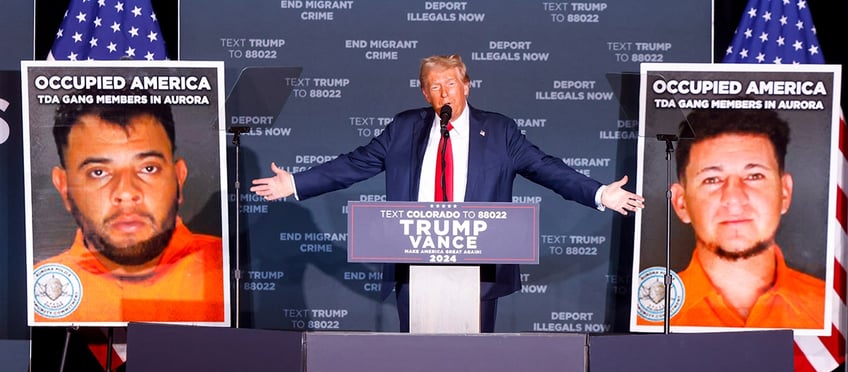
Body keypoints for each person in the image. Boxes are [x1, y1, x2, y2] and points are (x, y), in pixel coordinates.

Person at [251, 54, 645, 332]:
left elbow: (546, 168)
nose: (444, 93)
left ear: (466, 86)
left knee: (473, 361)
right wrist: (295, 183)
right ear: (425, 95)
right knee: (418, 357)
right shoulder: (404, 128)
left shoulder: (501, 131)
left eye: (450, 84)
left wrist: (599, 194)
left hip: (478, 260)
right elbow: (354, 164)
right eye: (434, 87)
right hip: (414, 257)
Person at [32, 89, 225, 323]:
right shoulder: (38, 290)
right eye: (99, 172)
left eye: (148, 168)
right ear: (64, 187)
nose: (126, 193)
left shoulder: (228, 270)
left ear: (179, 177)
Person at [641, 106, 824, 329]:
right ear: (681, 203)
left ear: (784, 192)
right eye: (712, 179)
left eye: (754, 176)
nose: (734, 198)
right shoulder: (648, 316)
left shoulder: (829, 310)